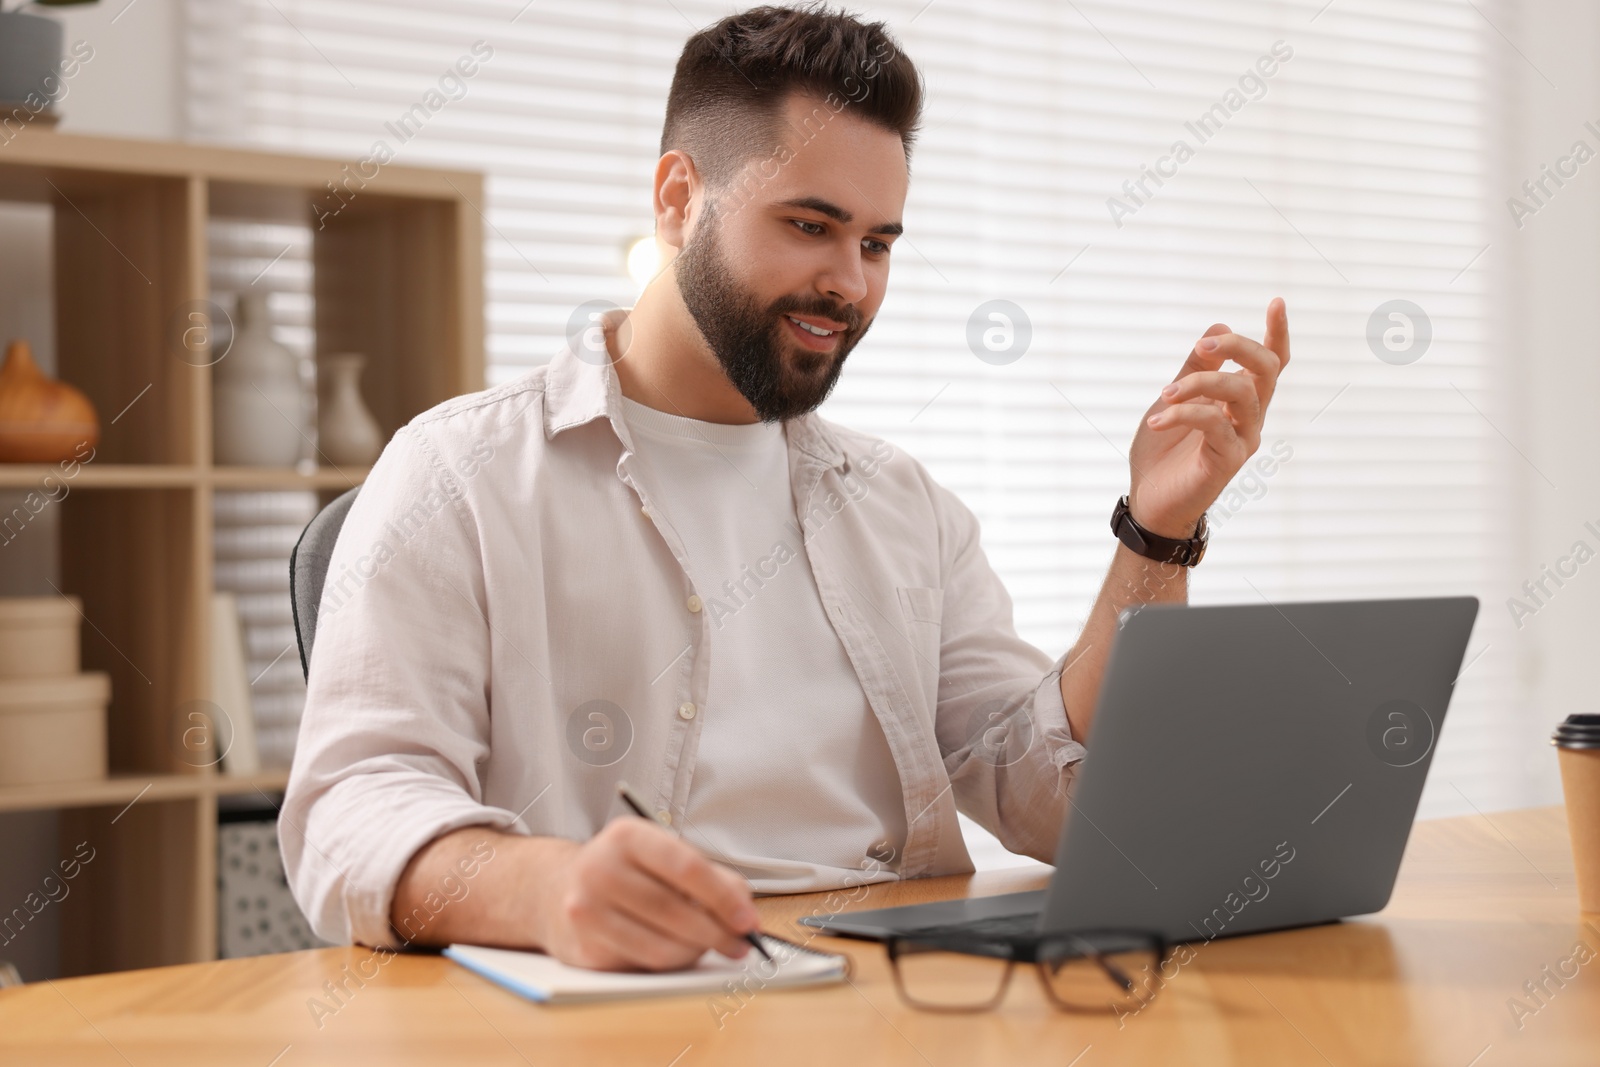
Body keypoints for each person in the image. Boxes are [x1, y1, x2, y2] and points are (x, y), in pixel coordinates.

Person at [280, 3, 1289, 973]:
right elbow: (352, 807)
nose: (850, 281)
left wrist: (1156, 532)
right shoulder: (459, 472)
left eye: (877, 242)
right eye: (810, 224)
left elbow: (1057, 795)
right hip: (627, 1006)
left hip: (906, 995)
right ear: (678, 198)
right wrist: (542, 888)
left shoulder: (902, 504)